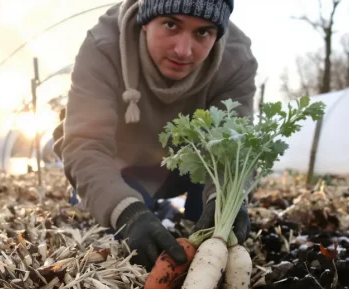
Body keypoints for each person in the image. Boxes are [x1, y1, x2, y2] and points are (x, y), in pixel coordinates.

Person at [54, 0, 257, 270]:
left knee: (211, 218)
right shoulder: (103, 46)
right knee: (123, 230)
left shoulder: (236, 59)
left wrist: (226, 200)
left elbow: (233, 147)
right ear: (145, 20)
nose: (183, 51)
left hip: (189, 163)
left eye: (203, 32)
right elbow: (86, 145)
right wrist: (128, 212)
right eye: (171, 25)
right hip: (122, 162)